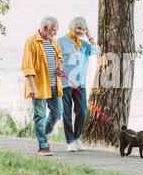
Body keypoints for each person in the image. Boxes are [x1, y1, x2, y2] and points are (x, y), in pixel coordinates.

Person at [22, 16, 63, 156]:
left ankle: (42, 133)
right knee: (40, 114)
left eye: (56, 31)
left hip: (54, 84)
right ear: (45, 28)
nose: (55, 33)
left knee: (58, 112)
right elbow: (27, 67)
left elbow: (58, 58)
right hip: (39, 85)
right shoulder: (31, 42)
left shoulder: (53, 42)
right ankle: (43, 145)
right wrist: (32, 87)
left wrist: (59, 69)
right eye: (53, 30)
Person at [58, 17, 101, 152]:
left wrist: (89, 36)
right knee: (67, 113)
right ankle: (70, 141)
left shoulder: (83, 44)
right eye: (78, 28)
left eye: (83, 29)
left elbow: (96, 50)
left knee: (82, 111)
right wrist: (56, 70)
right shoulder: (61, 42)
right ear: (71, 27)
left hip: (80, 83)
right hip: (65, 82)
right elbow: (54, 58)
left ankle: (77, 138)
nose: (80, 31)